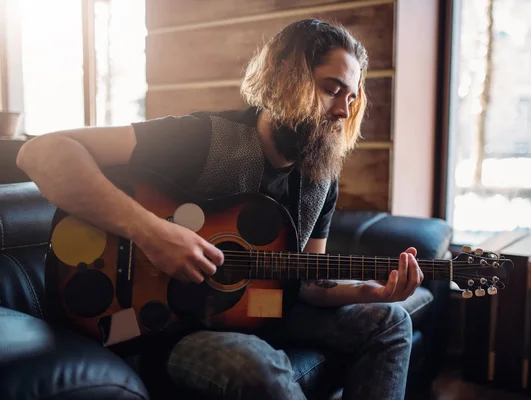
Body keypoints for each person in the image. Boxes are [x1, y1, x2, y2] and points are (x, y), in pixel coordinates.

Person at [17, 18, 424, 400]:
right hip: (162, 324)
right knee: (258, 368)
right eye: (332, 89)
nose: (342, 110)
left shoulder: (320, 178)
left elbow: (308, 282)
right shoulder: (200, 139)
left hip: (263, 312)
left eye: (351, 98)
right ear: (287, 78)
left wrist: (372, 292)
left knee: (390, 322)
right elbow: (42, 151)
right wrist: (153, 233)